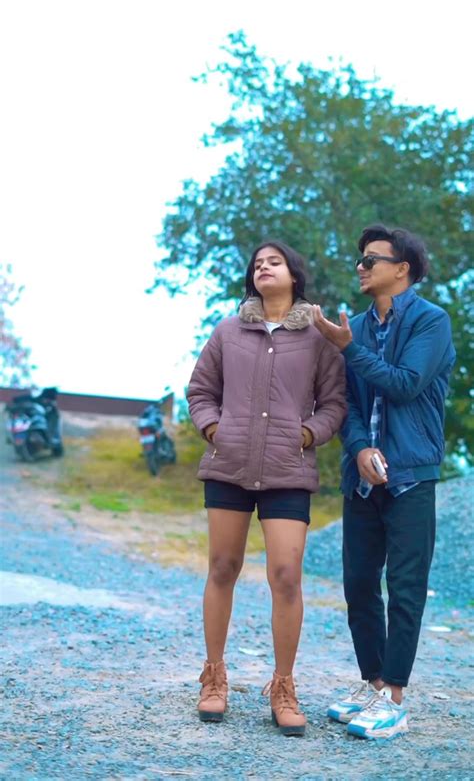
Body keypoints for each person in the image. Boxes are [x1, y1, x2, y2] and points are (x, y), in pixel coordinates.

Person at [187, 241, 346, 736]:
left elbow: (334, 403)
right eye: (257, 264)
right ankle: (214, 677)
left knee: (286, 575)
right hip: (229, 467)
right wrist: (216, 429)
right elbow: (200, 390)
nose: (263, 268)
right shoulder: (228, 330)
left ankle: (283, 686)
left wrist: (307, 435)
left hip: (287, 471)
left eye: (273, 262)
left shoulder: (318, 338)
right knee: (222, 567)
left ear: (294, 274)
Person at [313, 224, 456, 740]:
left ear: (402, 269)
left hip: (411, 475)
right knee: (358, 583)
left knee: (405, 586)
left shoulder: (430, 321)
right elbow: (347, 403)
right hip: (362, 477)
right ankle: (372, 684)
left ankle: (394, 695)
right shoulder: (354, 328)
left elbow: (405, 384)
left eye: (371, 259)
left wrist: (349, 349)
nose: (361, 266)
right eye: (360, 258)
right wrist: (359, 449)